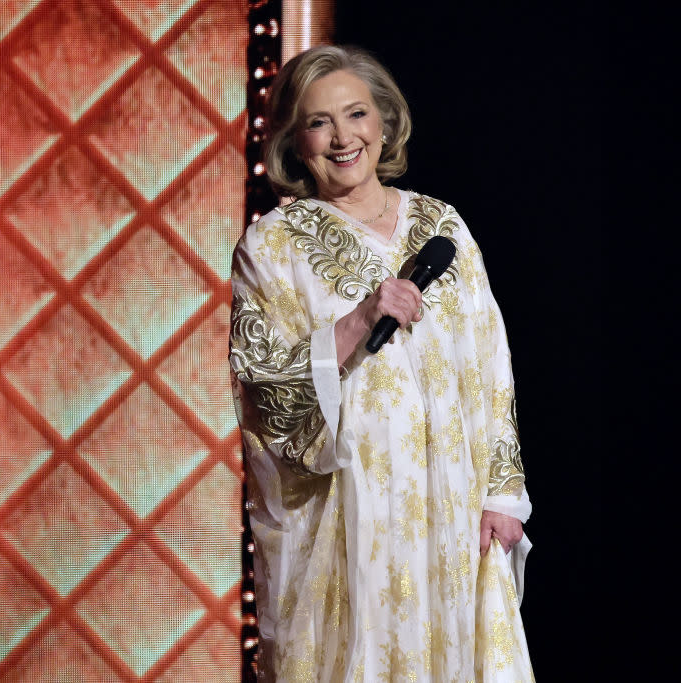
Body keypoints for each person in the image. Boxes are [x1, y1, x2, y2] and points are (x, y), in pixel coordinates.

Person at [229, 45, 534, 681]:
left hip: (452, 500)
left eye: (356, 114)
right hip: (350, 511)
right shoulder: (273, 246)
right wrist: (357, 321)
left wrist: (503, 492)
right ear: (295, 141)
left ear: (385, 123)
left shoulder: (440, 225)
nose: (343, 137)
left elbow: (491, 362)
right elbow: (263, 391)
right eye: (319, 122)